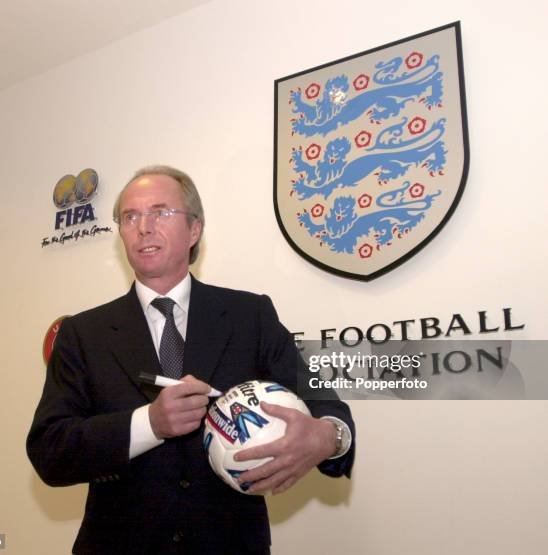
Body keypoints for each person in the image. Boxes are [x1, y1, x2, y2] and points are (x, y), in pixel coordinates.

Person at [27, 165, 355, 554]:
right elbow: (50, 450)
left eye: (160, 212)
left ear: (194, 230)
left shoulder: (249, 315)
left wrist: (329, 436)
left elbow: (325, 403)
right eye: (130, 216)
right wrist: (148, 423)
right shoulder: (83, 334)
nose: (143, 227)